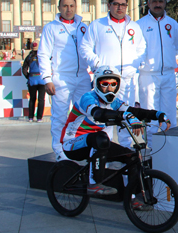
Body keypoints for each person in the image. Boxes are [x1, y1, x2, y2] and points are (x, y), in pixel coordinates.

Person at [60, 66, 170, 199]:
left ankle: (132, 198)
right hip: (72, 144)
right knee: (102, 138)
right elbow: (98, 114)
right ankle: (94, 183)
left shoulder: (114, 102)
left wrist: (157, 114)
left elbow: (134, 111)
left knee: (132, 157)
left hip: (95, 144)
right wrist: (125, 116)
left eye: (113, 84)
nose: (109, 88)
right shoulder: (88, 97)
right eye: (104, 84)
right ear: (97, 84)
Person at [80, 0, 146, 148]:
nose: (120, 8)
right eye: (116, 4)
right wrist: (98, 64)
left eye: (123, 5)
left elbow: (142, 48)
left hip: (128, 81)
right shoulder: (97, 25)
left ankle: (126, 151)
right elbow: (85, 47)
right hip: (107, 83)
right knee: (106, 121)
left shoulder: (134, 27)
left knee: (126, 117)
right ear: (109, 5)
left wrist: (137, 64)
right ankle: (105, 154)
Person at [38, 0, 92, 161]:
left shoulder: (83, 27)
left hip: (83, 77)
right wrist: (47, 78)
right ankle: (59, 151)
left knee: (83, 114)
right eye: (65, 6)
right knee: (60, 116)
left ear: (75, 7)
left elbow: (90, 50)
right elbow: (43, 54)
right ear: (59, 8)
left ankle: (79, 148)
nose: (68, 9)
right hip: (62, 77)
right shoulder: (51, 28)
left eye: (71, 6)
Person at [137, 0, 178, 148]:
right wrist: (146, 66)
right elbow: (136, 51)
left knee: (170, 113)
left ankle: (171, 147)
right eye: (154, 1)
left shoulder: (172, 24)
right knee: (151, 114)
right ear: (148, 3)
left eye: (160, 1)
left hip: (168, 75)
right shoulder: (140, 25)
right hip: (148, 76)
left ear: (164, 3)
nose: (157, 4)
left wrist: (167, 62)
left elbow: (177, 47)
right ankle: (151, 150)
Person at [22, 41, 46, 122]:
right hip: (42, 79)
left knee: (32, 99)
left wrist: (28, 76)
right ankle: (39, 118)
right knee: (41, 99)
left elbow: (24, 69)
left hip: (32, 80)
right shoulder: (42, 56)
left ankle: (30, 117)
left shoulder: (29, 57)